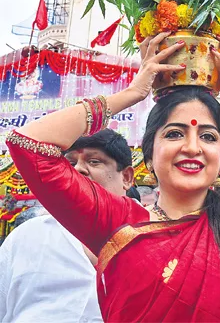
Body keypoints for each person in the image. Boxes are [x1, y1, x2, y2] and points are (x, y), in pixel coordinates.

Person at [6, 33, 220, 322]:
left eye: (208, 137)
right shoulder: (115, 221)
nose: (192, 147)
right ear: (149, 153)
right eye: (174, 134)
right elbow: (28, 143)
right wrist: (132, 94)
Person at [0, 129, 134, 322]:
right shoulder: (27, 237)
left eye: (94, 161)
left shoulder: (158, 239)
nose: (78, 169)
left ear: (127, 178)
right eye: (70, 163)